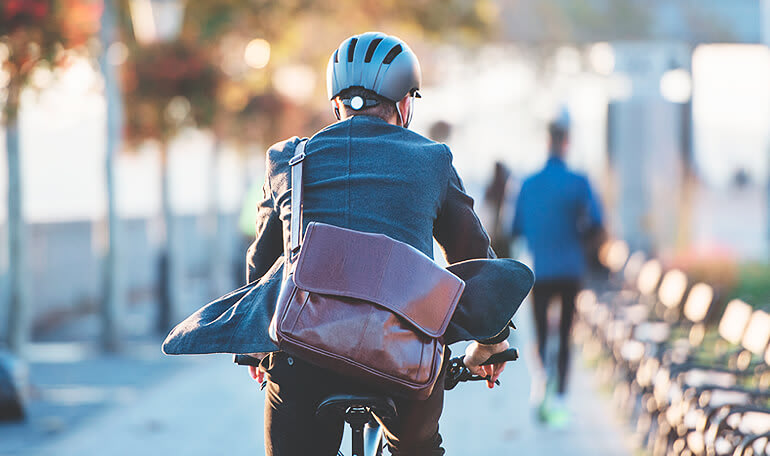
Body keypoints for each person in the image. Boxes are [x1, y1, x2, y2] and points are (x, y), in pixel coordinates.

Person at [245, 32, 511, 455]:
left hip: (304, 357)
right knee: (418, 448)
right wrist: (492, 341)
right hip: (403, 358)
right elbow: (474, 260)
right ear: (405, 104)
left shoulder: (288, 160)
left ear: (337, 104)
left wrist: (257, 348)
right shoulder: (432, 159)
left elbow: (262, 269)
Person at [511, 109, 604, 428]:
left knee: (538, 332)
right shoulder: (579, 182)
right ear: (567, 142)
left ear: (547, 141)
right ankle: (561, 396)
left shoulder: (528, 184)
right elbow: (596, 224)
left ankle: (540, 386)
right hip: (570, 268)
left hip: (539, 270)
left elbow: (516, 228)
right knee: (564, 333)